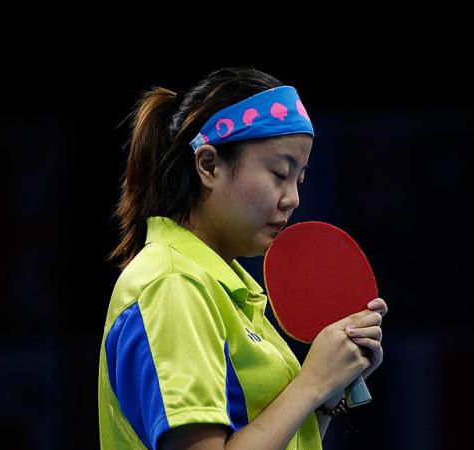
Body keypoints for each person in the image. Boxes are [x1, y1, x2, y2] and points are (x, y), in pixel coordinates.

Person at [98, 67, 388, 450]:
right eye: (279, 173)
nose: (292, 199)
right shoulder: (172, 285)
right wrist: (312, 381)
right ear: (209, 166)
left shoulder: (228, 293)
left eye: (299, 179)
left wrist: (328, 391)